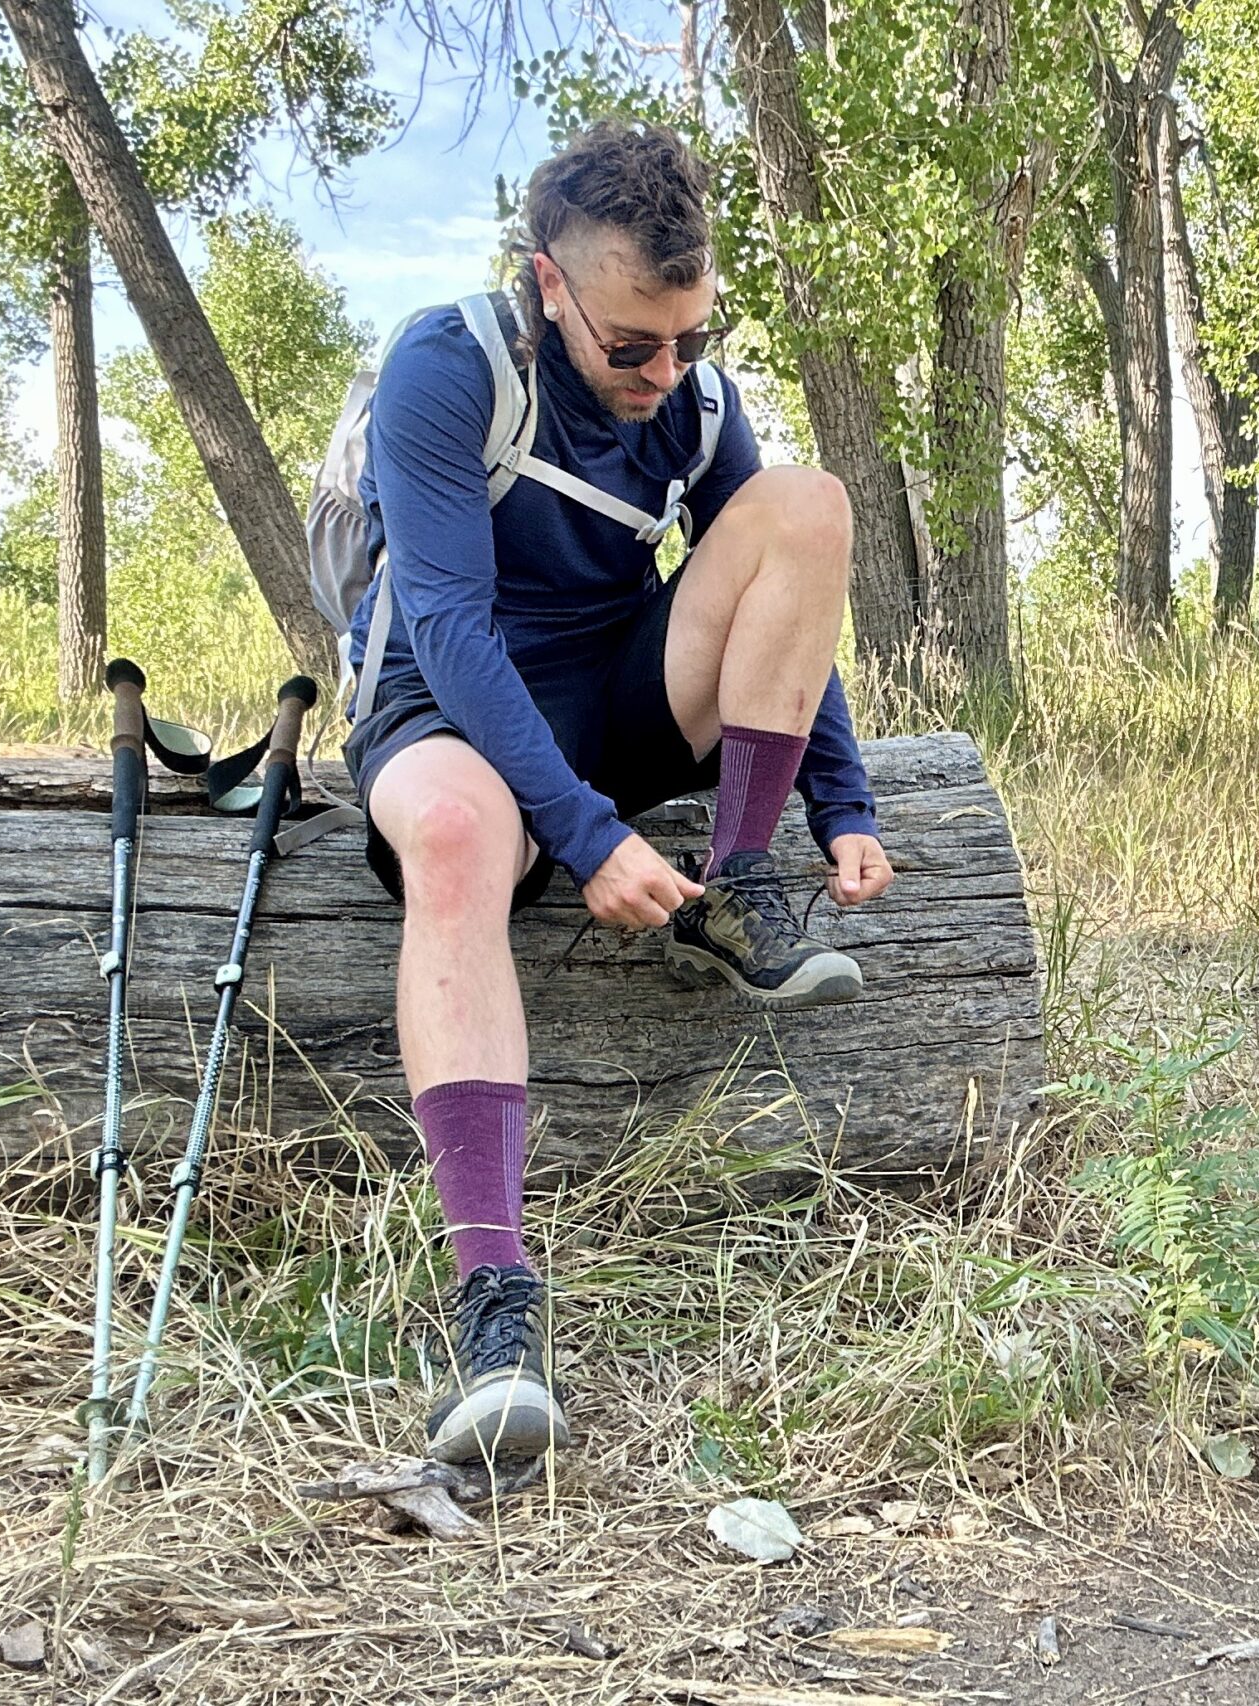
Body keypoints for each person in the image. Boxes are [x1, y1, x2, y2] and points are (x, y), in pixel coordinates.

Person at [342, 121, 894, 1466]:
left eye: (691, 337)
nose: (665, 372)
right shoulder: (445, 365)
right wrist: (584, 831)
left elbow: (785, 595)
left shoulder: (696, 404)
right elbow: (454, 630)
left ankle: (742, 894)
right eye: (631, 346)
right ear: (550, 286)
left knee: (805, 503)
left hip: (611, 691)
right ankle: (494, 1299)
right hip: (441, 698)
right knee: (467, 834)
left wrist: (845, 798)